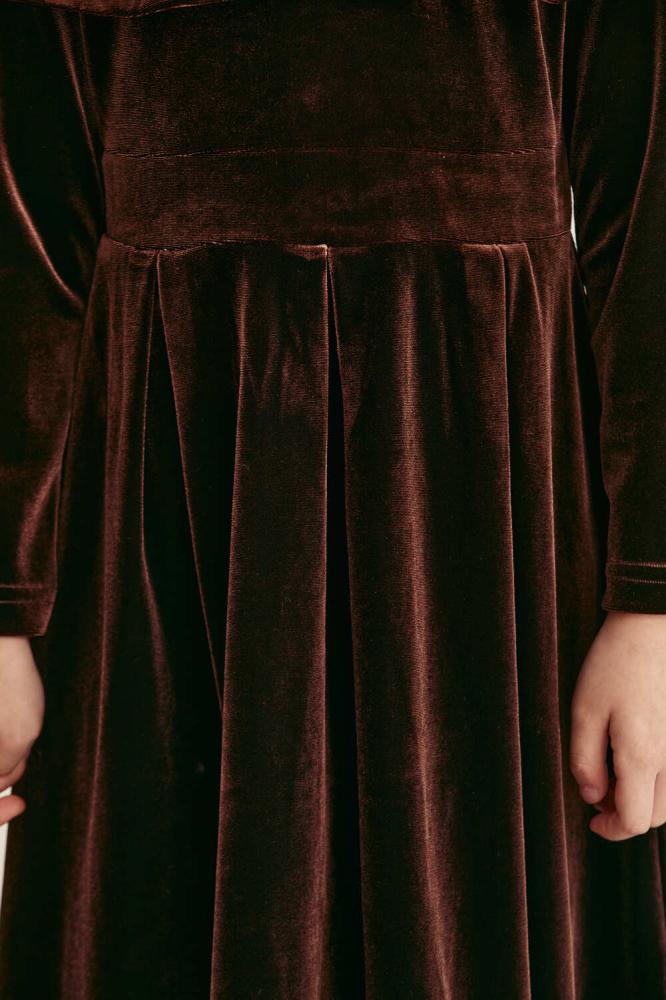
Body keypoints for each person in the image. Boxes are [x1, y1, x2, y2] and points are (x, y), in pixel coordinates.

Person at [1, 0, 665, 996]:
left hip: (496, 512)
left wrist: (651, 601)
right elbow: (26, 227)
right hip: (160, 509)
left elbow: (647, 207)